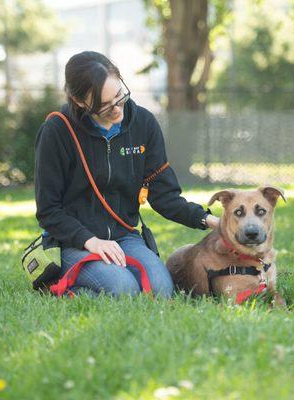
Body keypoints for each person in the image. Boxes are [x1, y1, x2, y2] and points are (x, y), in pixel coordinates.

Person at [34, 51, 219, 298]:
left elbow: (164, 196)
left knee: (161, 291)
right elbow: (48, 210)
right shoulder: (57, 130)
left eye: (120, 96)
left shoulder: (143, 123)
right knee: (124, 289)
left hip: (125, 236)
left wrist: (209, 220)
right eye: (104, 104)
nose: (117, 108)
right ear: (79, 102)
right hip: (74, 241)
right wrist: (91, 242)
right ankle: (60, 286)